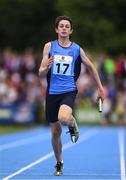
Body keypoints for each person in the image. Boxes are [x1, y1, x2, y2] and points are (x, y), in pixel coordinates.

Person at [39, 15, 104, 176]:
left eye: (67, 26)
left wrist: (100, 88)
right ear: (56, 29)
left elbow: (91, 67)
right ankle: (59, 162)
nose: (64, 28)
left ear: (71, 30)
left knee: (63, 118)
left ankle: (72, 121)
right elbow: (40, 73)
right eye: (61, 26)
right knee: (55, 132)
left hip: (68, 91)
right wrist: (46, 67)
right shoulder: (49, 47)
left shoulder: (76, 49)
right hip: (52, 92)